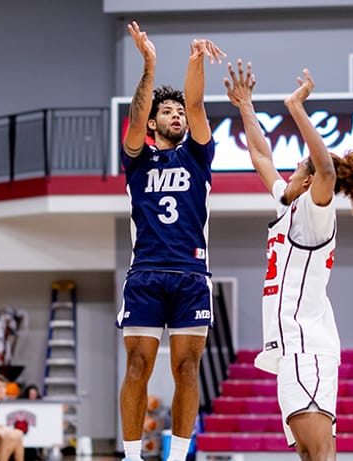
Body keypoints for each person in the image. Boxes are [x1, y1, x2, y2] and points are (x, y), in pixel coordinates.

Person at [225, 62, 353, 461]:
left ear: (310, 179)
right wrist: (245, 105)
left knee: (318, 455)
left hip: (307, 348)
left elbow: (328, 171)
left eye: (302, 165)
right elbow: (261, 154)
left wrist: (296, 108)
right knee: (312, 455)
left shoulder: (316, 214)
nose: (294, 168)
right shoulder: (287, 204)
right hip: (295, 351)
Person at [117, 21, 225, 461]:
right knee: (138, 366)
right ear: (153, 123)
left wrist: (194, 62)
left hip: (191, 273)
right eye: (168, 111)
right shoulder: (136, 157)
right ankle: (130, 455)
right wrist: (149, 65)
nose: (176, 114)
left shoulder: (198, 154)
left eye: (178, 111)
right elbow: (135, 116)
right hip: (144, 273)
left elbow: (197, 103)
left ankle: (178, 456)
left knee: (187, 368)